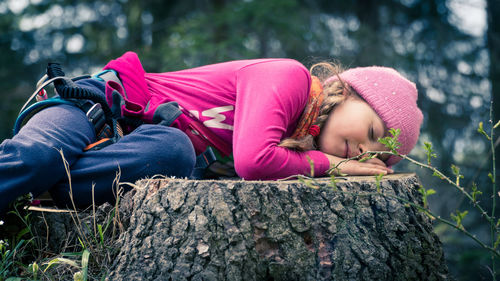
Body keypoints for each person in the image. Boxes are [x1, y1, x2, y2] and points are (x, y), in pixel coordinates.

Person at [0, 51, 423, 213]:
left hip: (129, 148)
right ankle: (29, 173)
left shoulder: (292, 148)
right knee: (37, 158)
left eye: (374, 155)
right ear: (345, 90)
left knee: (176, 152)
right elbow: (253, 161)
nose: (363, 148)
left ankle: (35, 191)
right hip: (94, 105)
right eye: (371, 128)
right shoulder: (289, 78)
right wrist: (331, 165)